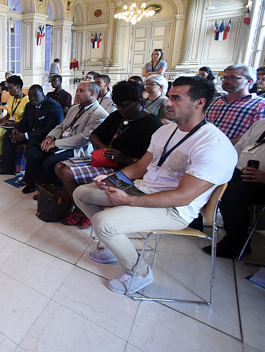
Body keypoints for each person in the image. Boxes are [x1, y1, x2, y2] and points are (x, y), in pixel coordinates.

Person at [74, 76, 237, 295]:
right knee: (82, 193)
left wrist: (129, 200)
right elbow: (141, 166)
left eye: (176, 98)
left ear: (199, 103)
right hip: (144, 189)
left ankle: (139, 273)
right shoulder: (165, 130)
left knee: (104, 223)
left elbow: (183, 197)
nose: (168, 103)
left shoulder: (213, 145)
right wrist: (111, 179)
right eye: (169, 97)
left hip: (174, 209)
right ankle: (115, 245)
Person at [56, 81, 163, 229]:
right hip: (107, 160)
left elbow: (150, 163)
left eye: (124, 105)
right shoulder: (117, 115)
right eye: (117, 104)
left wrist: (123, 158)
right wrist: (104, 148)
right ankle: (82, 207)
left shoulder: (152, 124)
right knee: (59, 166)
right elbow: (94, 136)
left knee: (67, 172)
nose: (120, 108)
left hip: (127, 169)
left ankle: (83, 210)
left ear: (138, 101)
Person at [203, 80, 265, 258]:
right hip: (244, 171)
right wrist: (224, 166)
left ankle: (236, 242)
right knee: (203, 176)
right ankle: (193, 222)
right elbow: (240, 147)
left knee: (232, 196)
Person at [22, 81, 108, 194]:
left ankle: (55, 188)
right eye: (77, 90)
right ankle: (42, 186)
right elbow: (61, 126)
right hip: (62, 142)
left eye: (81, 91)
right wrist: (51, 137)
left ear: (92, 93)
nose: (77, 94)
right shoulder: (75, 108)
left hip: (77, 149)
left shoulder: (100, 114)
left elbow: (83, 139)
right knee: (32, 152)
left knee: (49, 162)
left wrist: (56, 143)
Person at [0, 85, 63, 175]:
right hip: (31, 132)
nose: (32, 98)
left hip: (46, 135)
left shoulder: (53, 106)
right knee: (9, 135)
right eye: (30, 96)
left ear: (42, 94)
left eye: (35, 96)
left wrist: (25, 135)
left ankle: (29, 177)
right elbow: (24, 122)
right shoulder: (29, 105)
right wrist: (16, 130)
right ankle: (8, 168)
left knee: (31, 142)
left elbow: (47, 129)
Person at [205, 63, 265, 143]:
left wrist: (221, 145)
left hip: (235, 152)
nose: (226, 81)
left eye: (232, 77)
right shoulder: (215, 101)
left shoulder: (262, 106)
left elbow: (257, 136)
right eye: (224, 78)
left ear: (249, 81)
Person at [0, 75, 29, 165]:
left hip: (18, 125)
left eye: (10, 88)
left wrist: (9, 122)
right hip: (9, 124)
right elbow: (8, 114)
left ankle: (1, 159)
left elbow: (25, 121)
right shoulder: (11, 98)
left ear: (18, 87)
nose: (8, 91)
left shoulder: (26, 101)